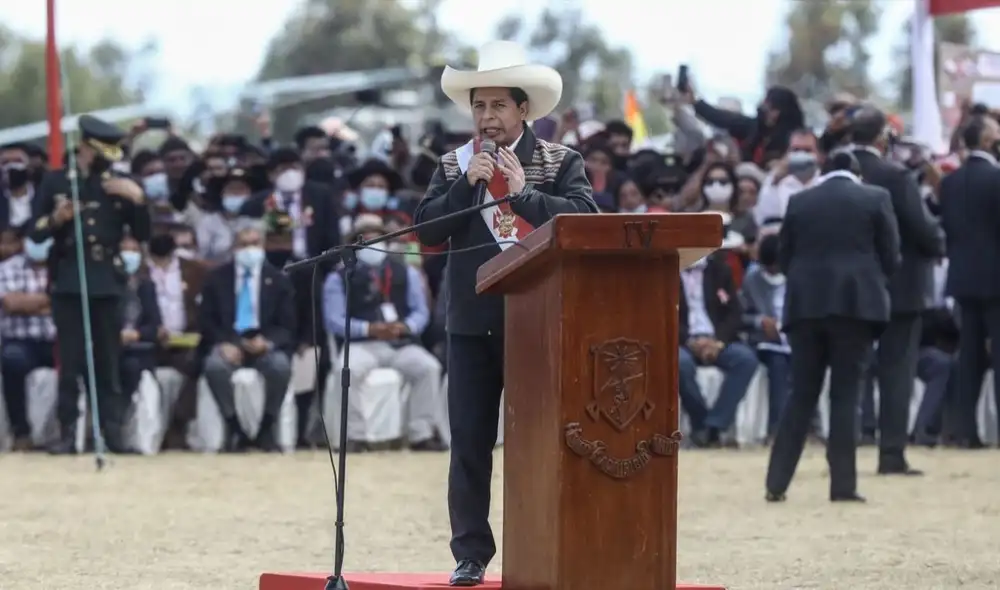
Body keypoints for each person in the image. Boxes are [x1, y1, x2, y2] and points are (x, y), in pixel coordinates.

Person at [414, 40, 598, 586]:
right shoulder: (454, 164)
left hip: (537, 324)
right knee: (469, 443)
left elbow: (587, 220)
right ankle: (470, 553)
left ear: (524, 110)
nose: (487, 117)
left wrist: (526, 197)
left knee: (539, 442)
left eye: (497, 106)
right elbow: (425, 229)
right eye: (478, 106)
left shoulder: (560, 161)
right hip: (470, 324)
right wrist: (463, 190)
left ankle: (541, 543)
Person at [765, 151, 899, 503]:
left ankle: (776, 483)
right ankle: (843, 485)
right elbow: (892, 257)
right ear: (856, 172)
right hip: (855, 307)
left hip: (805, 307)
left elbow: (783, 258)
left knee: (801, 394)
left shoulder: (799, 200)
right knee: (846, 395)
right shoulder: (875, 198)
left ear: (822, 171)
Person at [29, 115, 151, 454]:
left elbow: (143, 235)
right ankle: (68, 432)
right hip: (70, 281)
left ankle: (111, 433)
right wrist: (57, 219)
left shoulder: (118, 184)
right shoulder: (57, 182)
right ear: (85, 148)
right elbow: (35, 232)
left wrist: (138, 200)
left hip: (107, 283)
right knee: (71, 362)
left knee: (108, 362)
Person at [850, 106, 943, 474]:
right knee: (897, 370)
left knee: (850, 369)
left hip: (852, 288)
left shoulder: (836, 172)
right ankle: (891, 453)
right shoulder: (896, 176)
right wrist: (939, 238)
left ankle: (845, 451)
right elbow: (923, 230)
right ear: (883, 136)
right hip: (902, 287)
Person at [322, 215, 446, 452]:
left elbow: (420, 311)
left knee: (429, 367)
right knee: (346, 371)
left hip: (400, 343)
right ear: (353, 243)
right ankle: (354, 436)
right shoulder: (338, 277)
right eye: (365, 238)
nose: (372, 242)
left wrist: (406, 327)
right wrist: (368, 328)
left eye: (377, 237)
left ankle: (421, 433)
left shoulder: (405, 272)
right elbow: (334, 319)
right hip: (363, 344)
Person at [197, 224, 296, 452]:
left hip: (264, 343)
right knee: (214, 366)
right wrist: (223, 343)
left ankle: (267, 427)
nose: (249, 249)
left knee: (280, 367)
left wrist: (268, 342)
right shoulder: (216, 278)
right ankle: (234, 428)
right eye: (244, 244)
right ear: (234, 248)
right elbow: (206, 321)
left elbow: (287, 325)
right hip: (230, 341)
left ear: (263, 247)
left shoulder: (279, 280)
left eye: (254, 244)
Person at [939, 114, 1000, 448]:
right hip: (996, 279)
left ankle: (965, 431)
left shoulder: (949, 182)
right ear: (988, 141)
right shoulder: (997, 178)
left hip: (962, 278)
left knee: (970, 356)